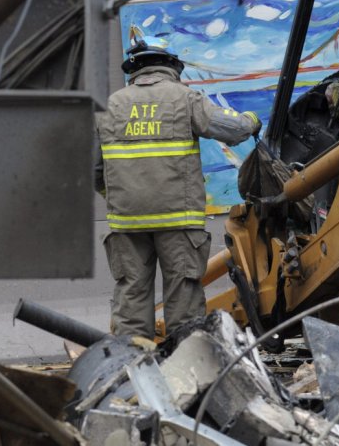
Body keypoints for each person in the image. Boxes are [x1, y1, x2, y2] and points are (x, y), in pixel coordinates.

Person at [95, 37, 262, 338]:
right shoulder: (185, 98)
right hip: (178, 221)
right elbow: (232, 129)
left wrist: (115, 196)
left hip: (127, 222)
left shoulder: (110, 107)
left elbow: (94, 168)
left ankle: (133, 373)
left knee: (131, 298)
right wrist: (251, 120)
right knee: (183, 302)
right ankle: (185, 371)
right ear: (171, 66)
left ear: (135, 69)